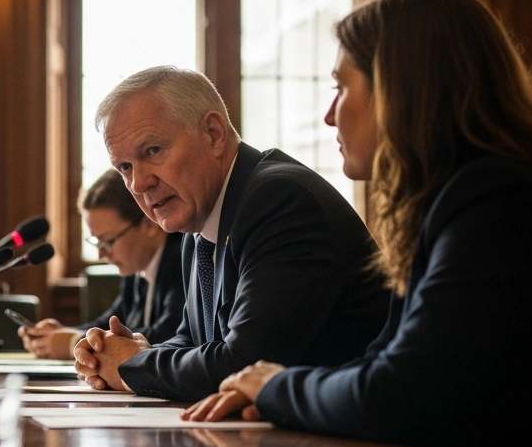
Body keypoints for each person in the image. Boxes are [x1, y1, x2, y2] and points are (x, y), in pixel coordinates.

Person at [184, 0, 532, 447]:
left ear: (402, 91)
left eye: (342, 88)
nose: (329, 114)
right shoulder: (459, 199)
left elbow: (397, 398)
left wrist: (275, 387)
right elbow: (382, 365)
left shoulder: (498, 203)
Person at [73, 67, 389, 402]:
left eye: (152, 151)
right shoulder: (199, 223)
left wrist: (133, 364)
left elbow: (243, 364)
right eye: (124, 167)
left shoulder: (279, 200)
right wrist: (115, 353)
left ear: (213, 133)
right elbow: (194, 342)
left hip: (363, 443)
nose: (138, 183)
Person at [19, 170, 186, 360]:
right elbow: (113, 322)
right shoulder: (137, 265)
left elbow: (169, 335)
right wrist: (61, 333)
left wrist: (75, 342)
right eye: (96, 242)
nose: (100, 253)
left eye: (107, 241)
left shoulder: (184, 261)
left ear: (149, 223)